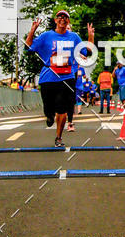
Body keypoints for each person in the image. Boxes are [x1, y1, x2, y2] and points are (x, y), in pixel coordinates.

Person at [26, 9, 94, 148]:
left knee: (62, 109)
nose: (62, 19)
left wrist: (90, 36)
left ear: (68, 21)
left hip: (66, 77)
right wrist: (32, 31)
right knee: (49, 108)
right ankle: (49, 115)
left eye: (65, 17)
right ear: (55, 20)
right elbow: (28, 47)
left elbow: (87, 52)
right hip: (48, 77)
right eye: (59, 17)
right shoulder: (46, 36)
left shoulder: (74, 37)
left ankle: (58, 137)